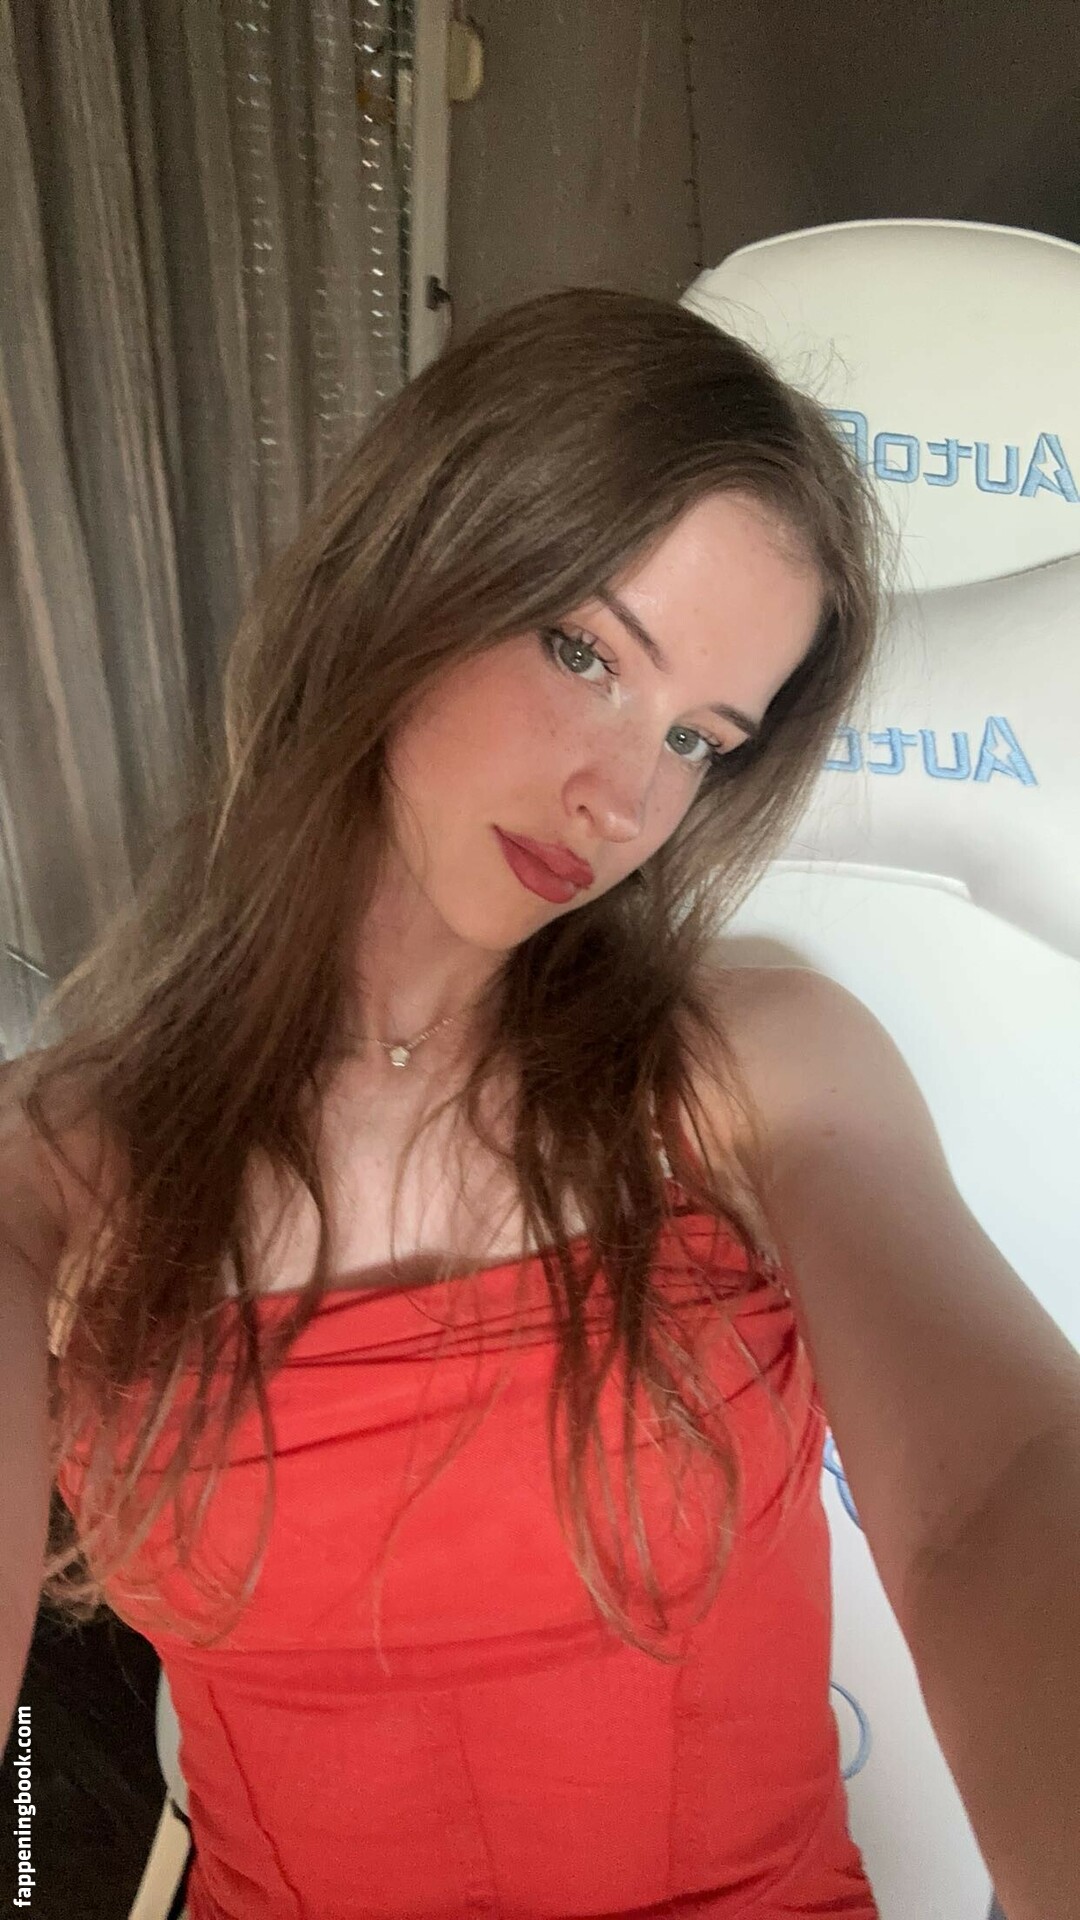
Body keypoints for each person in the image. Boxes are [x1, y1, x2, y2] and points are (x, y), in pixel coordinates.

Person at [0, 288, 1077, 1920]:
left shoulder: (753, 1069)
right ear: (408, 574)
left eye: (700, 739)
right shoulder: (68, 1159)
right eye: (586, 654)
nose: (625, 799)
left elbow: (994, 1497)